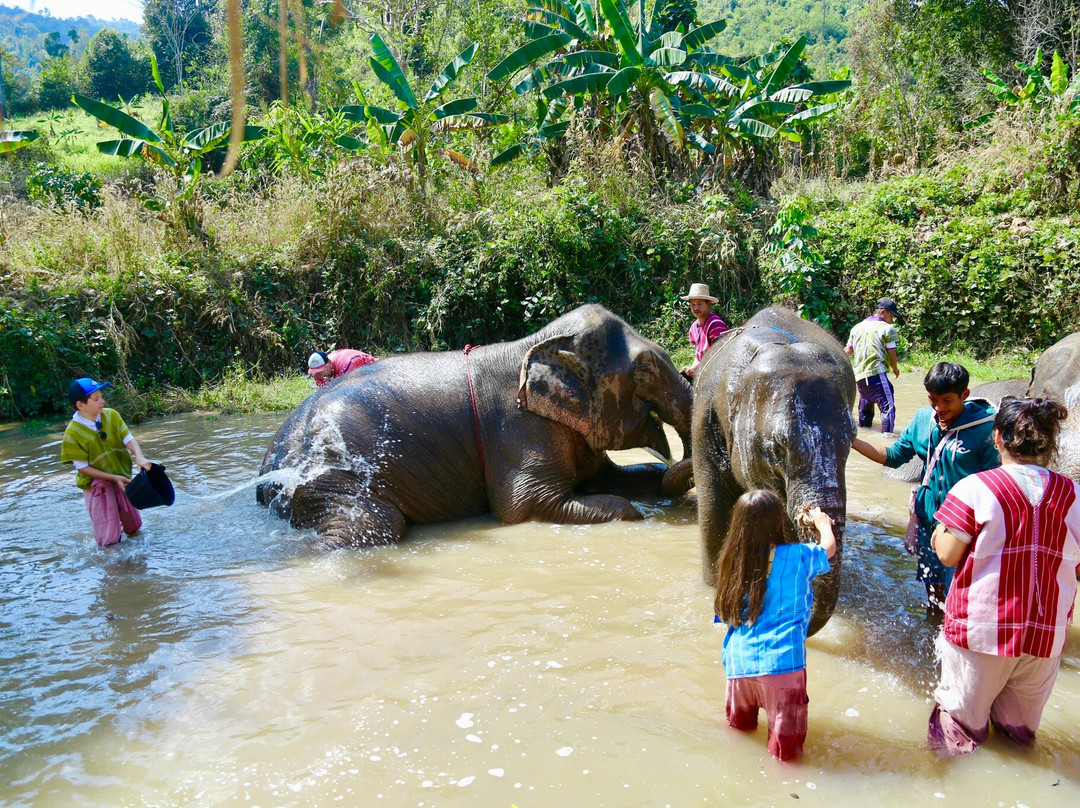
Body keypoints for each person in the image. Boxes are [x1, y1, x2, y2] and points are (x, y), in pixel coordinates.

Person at [927, 397, 1080, 756]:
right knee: (1018, 735)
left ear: (997, 437)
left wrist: (937, 534)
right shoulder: (1074, 494)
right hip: (1046, 635)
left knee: (957, 729)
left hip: (981, 631)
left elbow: (948, 555)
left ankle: (947, 782)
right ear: (1050, 442)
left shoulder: (975, 487)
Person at [851, 362, 999, 616]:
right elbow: (893, 456)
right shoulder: (923, 419)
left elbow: (995, 486)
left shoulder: (986, 429)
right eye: (933, 400)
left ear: (964, 395)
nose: (939, 408)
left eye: (947, 400)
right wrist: (851, 440)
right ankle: (934, 625)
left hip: (963, 529)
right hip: (928, 521)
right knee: (933, 591)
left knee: (959, 596)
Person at [713, 489, 836, 762]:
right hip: (783, 666)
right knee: (786, 756)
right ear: (778, 522)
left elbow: (726, 615)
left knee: (739, 735)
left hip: (738, 665)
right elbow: (828, 549)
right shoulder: (798, 556)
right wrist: (823, 525)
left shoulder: (731, 562)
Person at [59, 377, 153, 548]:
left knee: (134, 526)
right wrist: (113, 478)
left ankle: (137, 559)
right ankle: (111, 563)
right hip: (98, 486)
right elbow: (82, 468)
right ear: (80, 405)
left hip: (121, 477)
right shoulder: (72, 433)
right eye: (96, 399)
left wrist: (139, 456)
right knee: (108, 539)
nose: (102, 401)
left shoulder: (111, 415)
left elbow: (128, 438)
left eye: (101, 396)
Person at [845, 297, 903, 436]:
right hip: (877, 373)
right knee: (888, 407)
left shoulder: (857, 328)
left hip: (860, 376)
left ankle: (863, 432)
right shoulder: (887, 329)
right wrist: (895, 368)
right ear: (883, 312)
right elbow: (891, 352)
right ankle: (887, 438)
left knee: (865, 405)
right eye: (891, 316)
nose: (892, 320)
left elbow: (847, 351)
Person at [680, 282, 728, 379]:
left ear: (708, 303)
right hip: (703, 370)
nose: (696, 308)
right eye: (693, 304)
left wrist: (698, 368)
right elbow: (698, 355)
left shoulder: (715, 324)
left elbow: (720, 354)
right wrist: (693, 368)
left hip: (718, 372)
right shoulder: (694, 327)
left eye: (699, 304)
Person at [307, 348, 377, 388]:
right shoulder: (317, 374)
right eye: (317, 372)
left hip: (374, 368)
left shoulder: (347, 365)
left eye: (323, 370)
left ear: (329, 362)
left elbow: (350, 389)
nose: (321, 375)